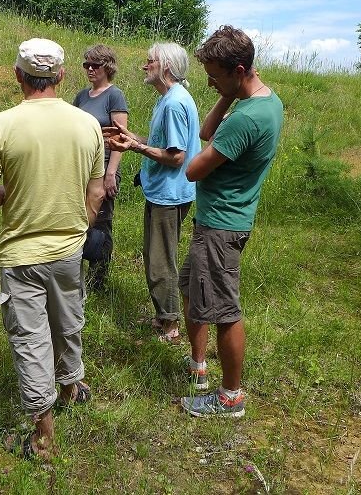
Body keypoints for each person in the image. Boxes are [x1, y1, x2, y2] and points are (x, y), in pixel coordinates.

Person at [0, 38, 105, 459]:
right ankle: (70, 388)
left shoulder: (2, 125)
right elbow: (97, 191)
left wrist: (15, 188)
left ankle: (43, 437)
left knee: (32, 341)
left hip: (22, 254)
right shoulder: (87, 124)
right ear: (62, 76)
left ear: (17, 76)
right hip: (69, 248)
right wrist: (81, 226)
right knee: (67, 322)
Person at [179, 26, 284, 418]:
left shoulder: (248, 118)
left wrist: (227, 102)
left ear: (239, 70)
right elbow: (206, 132)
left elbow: (193, 169)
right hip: (219, 221)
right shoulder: (263, 100)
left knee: (225, 310)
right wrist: (226, 94)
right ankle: (200, 365)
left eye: (215, 75)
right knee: (190, 287)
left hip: (222, 225)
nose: (208, 82)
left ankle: (231, 396)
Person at [105, 42, 200, 343]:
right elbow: (163, 143)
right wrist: (130, 136)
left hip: (169, 194)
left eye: (150, 62)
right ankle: (164, 316)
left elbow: (176, 157)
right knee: (155, 254)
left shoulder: (173, 104)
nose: (144, 66)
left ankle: (170, 326)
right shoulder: (169, 99)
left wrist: (134, 147)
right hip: (164, 191)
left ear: (166, 67)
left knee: (161, 260)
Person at [72, 44, 129, 290]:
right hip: (81, 168)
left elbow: (120, 138)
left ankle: (98, 280)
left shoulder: (114, 95)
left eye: (95, 65)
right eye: (87, 64)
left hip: (104, 166)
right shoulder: (82, 96)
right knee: (79, 220)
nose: (90, 69)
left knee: (101, 223)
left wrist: (111, 173)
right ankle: (75, 274)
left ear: (108, 67)